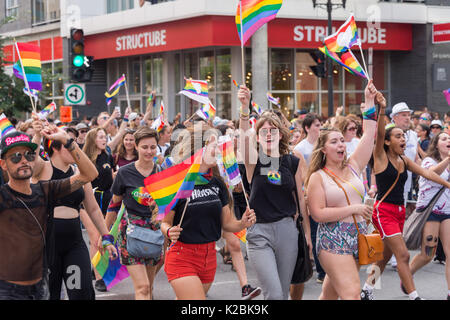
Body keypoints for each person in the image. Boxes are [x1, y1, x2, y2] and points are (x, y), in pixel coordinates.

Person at [361, 102, 450, 300]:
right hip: (383, 211)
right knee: (403, 255)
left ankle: (366, 290)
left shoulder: (403, 160)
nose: (403, 139)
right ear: (386, 141)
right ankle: (414, 296)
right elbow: (379, 133)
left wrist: (448, 184)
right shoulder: (380, 157)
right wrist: (382, 109)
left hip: (399, 212)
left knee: (383, 258)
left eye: (404, 136)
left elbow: (427, 173)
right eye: (398, 136)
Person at [0, 126, 98, 300]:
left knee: (80, 293)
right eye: (16, 157)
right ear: (3, 164)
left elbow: (90, 174)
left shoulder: (46, 190)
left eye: (29, 155)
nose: (23, 161)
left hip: (59, 256)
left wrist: (68, 142)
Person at [161, 125, 257, 300]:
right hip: (182, 256)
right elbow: (164, 222)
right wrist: (169, 231)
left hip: (208, 258)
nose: (219, 151)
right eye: (214, 147)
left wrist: (243, 223)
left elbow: (227, 224)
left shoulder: (217, 183)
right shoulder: (178, 182)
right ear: (199, 150)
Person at [305, 81, 378, 300]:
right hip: (332, 241)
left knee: (330, 294)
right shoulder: (318, 177)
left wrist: (369, 101)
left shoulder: (354, 165)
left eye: (342, 141)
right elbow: (317, 213)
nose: (341, 145)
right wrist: (353, 208)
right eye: (334, 142)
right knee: (352, 294)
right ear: (323, 149)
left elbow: (370, 134)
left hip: (359, 237)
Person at [238, 86, 311, 300]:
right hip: (259, 232)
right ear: (258, 137)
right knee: (274, 294)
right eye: (263, 131)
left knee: (283, 292)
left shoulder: (292, 161)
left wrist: (306, 234)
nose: (268, 134)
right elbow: (243, 137)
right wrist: (244, 107)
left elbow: (300, 200)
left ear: (280, 135)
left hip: (288, 231)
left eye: (273, 130)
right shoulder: (253, 160)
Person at [31, 120, 117, 300]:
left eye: (75, 146)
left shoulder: (79, 173)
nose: (74, 150)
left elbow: (93, 209)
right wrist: (38, 135)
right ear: (55, 148)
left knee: (80, 292)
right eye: (68, 145)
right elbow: (30, 161)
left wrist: (106, 236)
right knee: (49, 295)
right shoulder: (43, 168)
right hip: (47, 245)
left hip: (73, 244)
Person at [105, 127, 164, 300]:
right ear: (136, 147)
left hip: (154, 233)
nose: (149, 151)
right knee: (143, 287)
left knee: (150, 288)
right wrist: (105, 235)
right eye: (145, 147)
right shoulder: (124, 173)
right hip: (130, 233)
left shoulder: (161, 172)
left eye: (153, 147)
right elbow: (114, 204)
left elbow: (168, 208)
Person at [409, 132, 450, 300]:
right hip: (430, 211)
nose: (448, 141)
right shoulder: (428, 161)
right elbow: (432, 173)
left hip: (447, 212)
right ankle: (407, 274)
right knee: (428, 254)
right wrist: (448, 159)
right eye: (445, 139)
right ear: (436, 143)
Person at [82, 127, 115, 292]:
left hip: (106, 200)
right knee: (96, 237)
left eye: (105, 136)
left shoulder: (107, 155)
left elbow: (111, 175)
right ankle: (100, 278)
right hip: (88, 201)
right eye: (101, 137)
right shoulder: (85, 158)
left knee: (106, 236)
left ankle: (95, 267)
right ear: (93, 140)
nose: (105, 139)